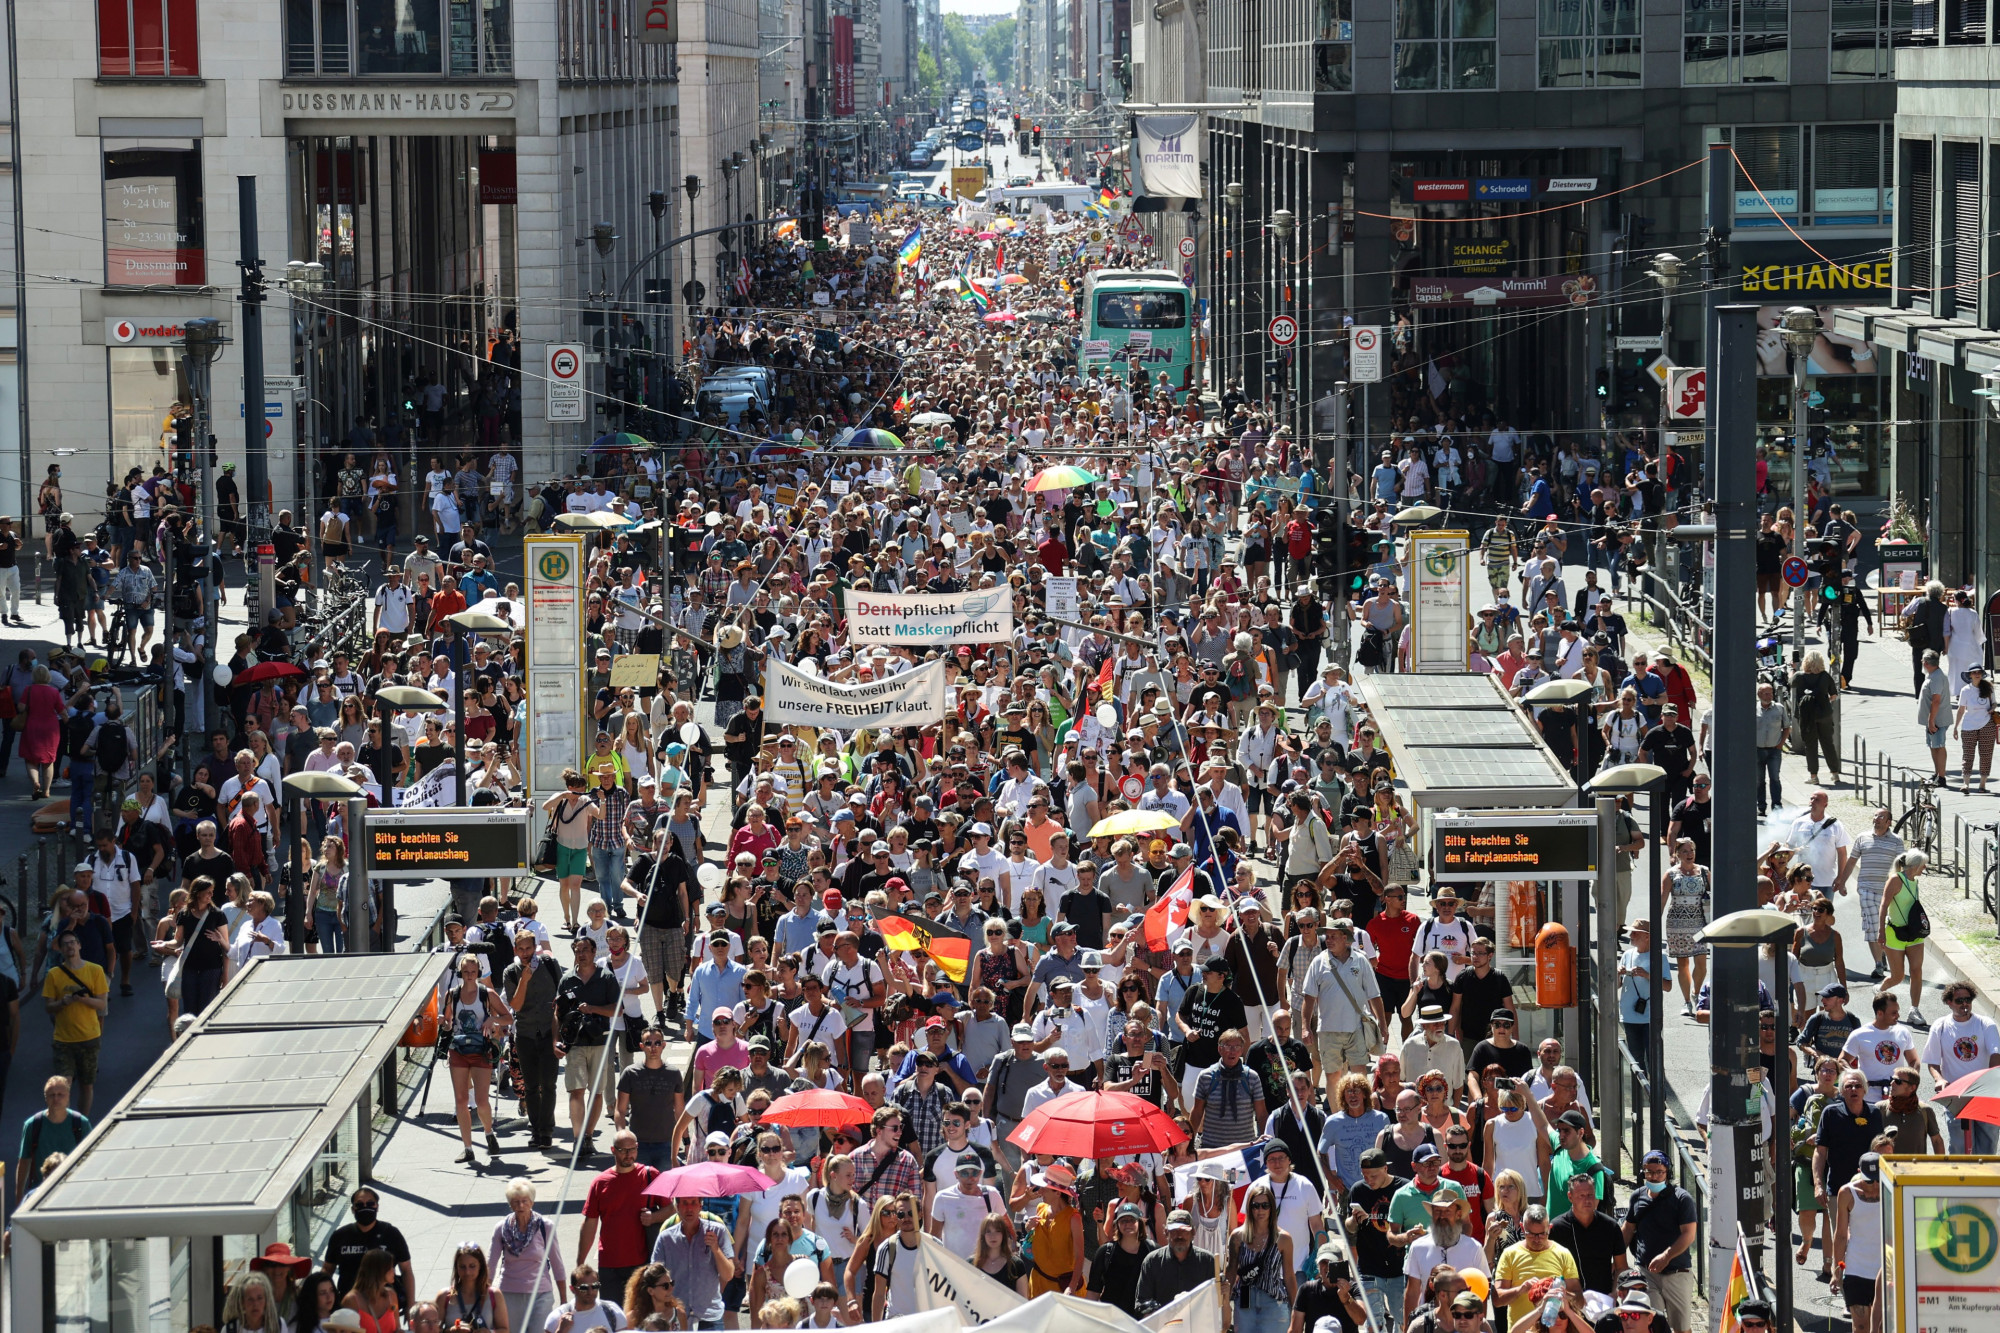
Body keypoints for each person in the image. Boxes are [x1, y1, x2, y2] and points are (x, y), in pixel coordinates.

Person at [443, 951, 511, 1162]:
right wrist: (442, 1023)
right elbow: (448, 1023)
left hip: (482, 1050)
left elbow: (508, 1017)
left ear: (478, 972)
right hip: (459, 1051)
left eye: (473, 971)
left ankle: (489, 1133)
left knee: (482, 1100)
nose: (470, 975)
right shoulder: (452, 994)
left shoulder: (487, 994)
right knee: (461, 1101)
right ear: (460, 973)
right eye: (466, 971)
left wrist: (492, 1020)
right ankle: (468, 1147)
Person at [1621, 1153, 1696, 1333]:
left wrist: (1666, 1256)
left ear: (1667, 1173)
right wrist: (1615, 1257)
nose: (1654, 1176)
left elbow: (1689, 1234)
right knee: (1650, 1324)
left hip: (1676, 1273)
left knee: (1681, 1327)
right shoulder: (1637, 1196)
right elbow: (1628, 1229)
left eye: (1659, 1172)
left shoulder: (1682, 1199)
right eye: (1649, 1172)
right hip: (1646, 1273)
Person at [1924, 982, 2000, 1151]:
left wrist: (1990, 1080)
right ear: (1949, 1002)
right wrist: (1939, 1079)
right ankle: (1961, 1177)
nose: (1965, 1004)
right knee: (1959, 1145)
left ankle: (1984, 1177)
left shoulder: (1985, 1024)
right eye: (1959, 1000)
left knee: (1988, 1144)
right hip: (1956, 1094)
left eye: (1968, 999)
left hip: (1984, 1093)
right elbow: (1933, 1061)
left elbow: (1996, 1054)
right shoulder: (1940, 1026)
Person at [41, 929, 108, 1114]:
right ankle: (63, 1120)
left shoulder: (95, 970)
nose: (69, 946)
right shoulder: (54, 974)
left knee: (87, 1085)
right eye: (65, 944)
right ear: (61, 949)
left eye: (72, 942)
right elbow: (48, 1007)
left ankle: (81, 1123)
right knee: (63, 1085)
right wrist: (63, 1002)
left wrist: (82, 999)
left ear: (79, 945)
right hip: (63, 1040)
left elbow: (101, 1003)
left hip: (89, 1037)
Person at [491, 1177, 567, 1333]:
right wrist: (484, 1295)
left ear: (532, 1202)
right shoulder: (501, 1228)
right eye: (516, 1201)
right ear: (510, 1204)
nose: (520, 1205)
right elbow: (490, 1264)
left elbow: (557, 1264)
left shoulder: (546, 1227)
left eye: (525, 1201)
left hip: (541, 1294)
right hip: (509, 1293)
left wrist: (564, 1300)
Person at [651, 1195, 737, 1330]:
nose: (689, 1208)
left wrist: (716, 1249)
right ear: (677, 1207)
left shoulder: (717, 1231)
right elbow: (654, 1277)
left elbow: (728, 1275)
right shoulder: (665, 1238)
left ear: (700, 1206)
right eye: (685, 1203)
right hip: (676, 1316)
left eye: (693, 1203)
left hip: (710, 1316)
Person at [323, 1186, 417, 1308]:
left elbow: (406, 1270)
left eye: (370, 1203)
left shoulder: (391, 1234)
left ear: (377, 1206)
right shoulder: (340, 1236)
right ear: (353, 1209)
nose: (365, 1207)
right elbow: (327, 1269)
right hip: (349, 1304)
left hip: (384, 1304)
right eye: (359, 1205)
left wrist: (411, 1306)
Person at [1829, 1153, 1883, 1333]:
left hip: (1885, 1270)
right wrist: (1837, 1271)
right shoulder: (1847, 1193)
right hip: (1856, 1269)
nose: (1874, 1185)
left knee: (1882, 1327)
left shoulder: (1891, 1191)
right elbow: (1841, 1234)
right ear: (1859, 1173)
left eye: (1877, 1180)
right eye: (1869, 1181)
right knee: (1860, 1326)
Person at [15, 1074, 89, 1199]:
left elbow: (90, 1160)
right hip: (40, 1192)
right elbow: (24, 1162)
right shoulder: (33, 1125)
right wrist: (19, 1197)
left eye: (60, 1094)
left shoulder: (81, 1123)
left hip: (73, 1191)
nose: (56, 1099)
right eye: (52, 1095)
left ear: (68, 1097)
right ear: (46, 1098)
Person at [1878, 849, 1930, 1024]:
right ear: (1915, 866)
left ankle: (1914, 1010)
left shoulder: (1915, 881)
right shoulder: (1895, 880)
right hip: (1895, 933)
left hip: (1914, 933)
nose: (1925, 868)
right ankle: (1880, 991)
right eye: (1923, 865)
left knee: (1916, 971)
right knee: (1898, 976)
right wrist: (1881, 931)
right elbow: (1884, 905)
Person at [1134, 1208, 1217, 1316]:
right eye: (1174, 1230)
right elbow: (1141, 1303)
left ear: (1193, 1232)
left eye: (1184, 1230)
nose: (1179, 1235)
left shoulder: (1208, 1262)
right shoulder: (1152, 1262)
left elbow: (1218, 1303)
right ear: (1166, 1232)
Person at [435, 1242, 509, 1333]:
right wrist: (451, 1331)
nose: (467, 1272)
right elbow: (433, 1329)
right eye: (462, 1267)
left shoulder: (494, 1295)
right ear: (456, 1267)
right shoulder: (444, 1296)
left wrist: (489, 1332)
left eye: (472, 1266)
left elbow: (504, 1330)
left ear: (480, 1266)